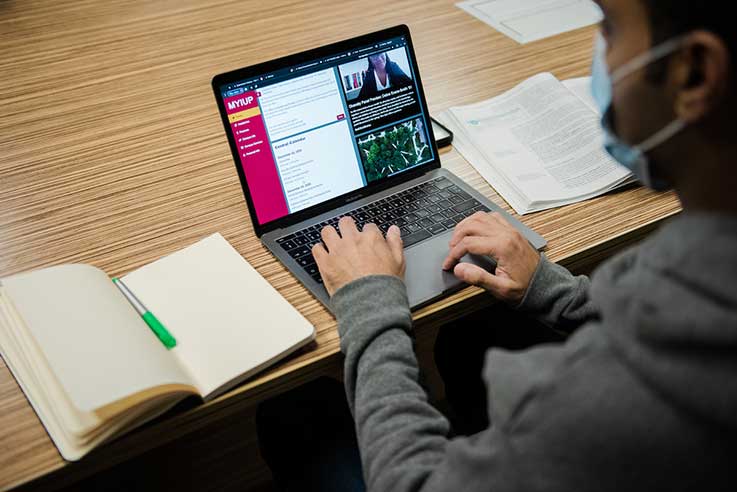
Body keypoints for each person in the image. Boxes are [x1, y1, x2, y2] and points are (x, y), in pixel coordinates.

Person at [257, 0, 737, 490]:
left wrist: (370, 302)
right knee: (471, 334)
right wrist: (555, 289)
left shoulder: (618, 395)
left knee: (296, 412)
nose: (598, 48)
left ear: (694, 74)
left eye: (610, 27)